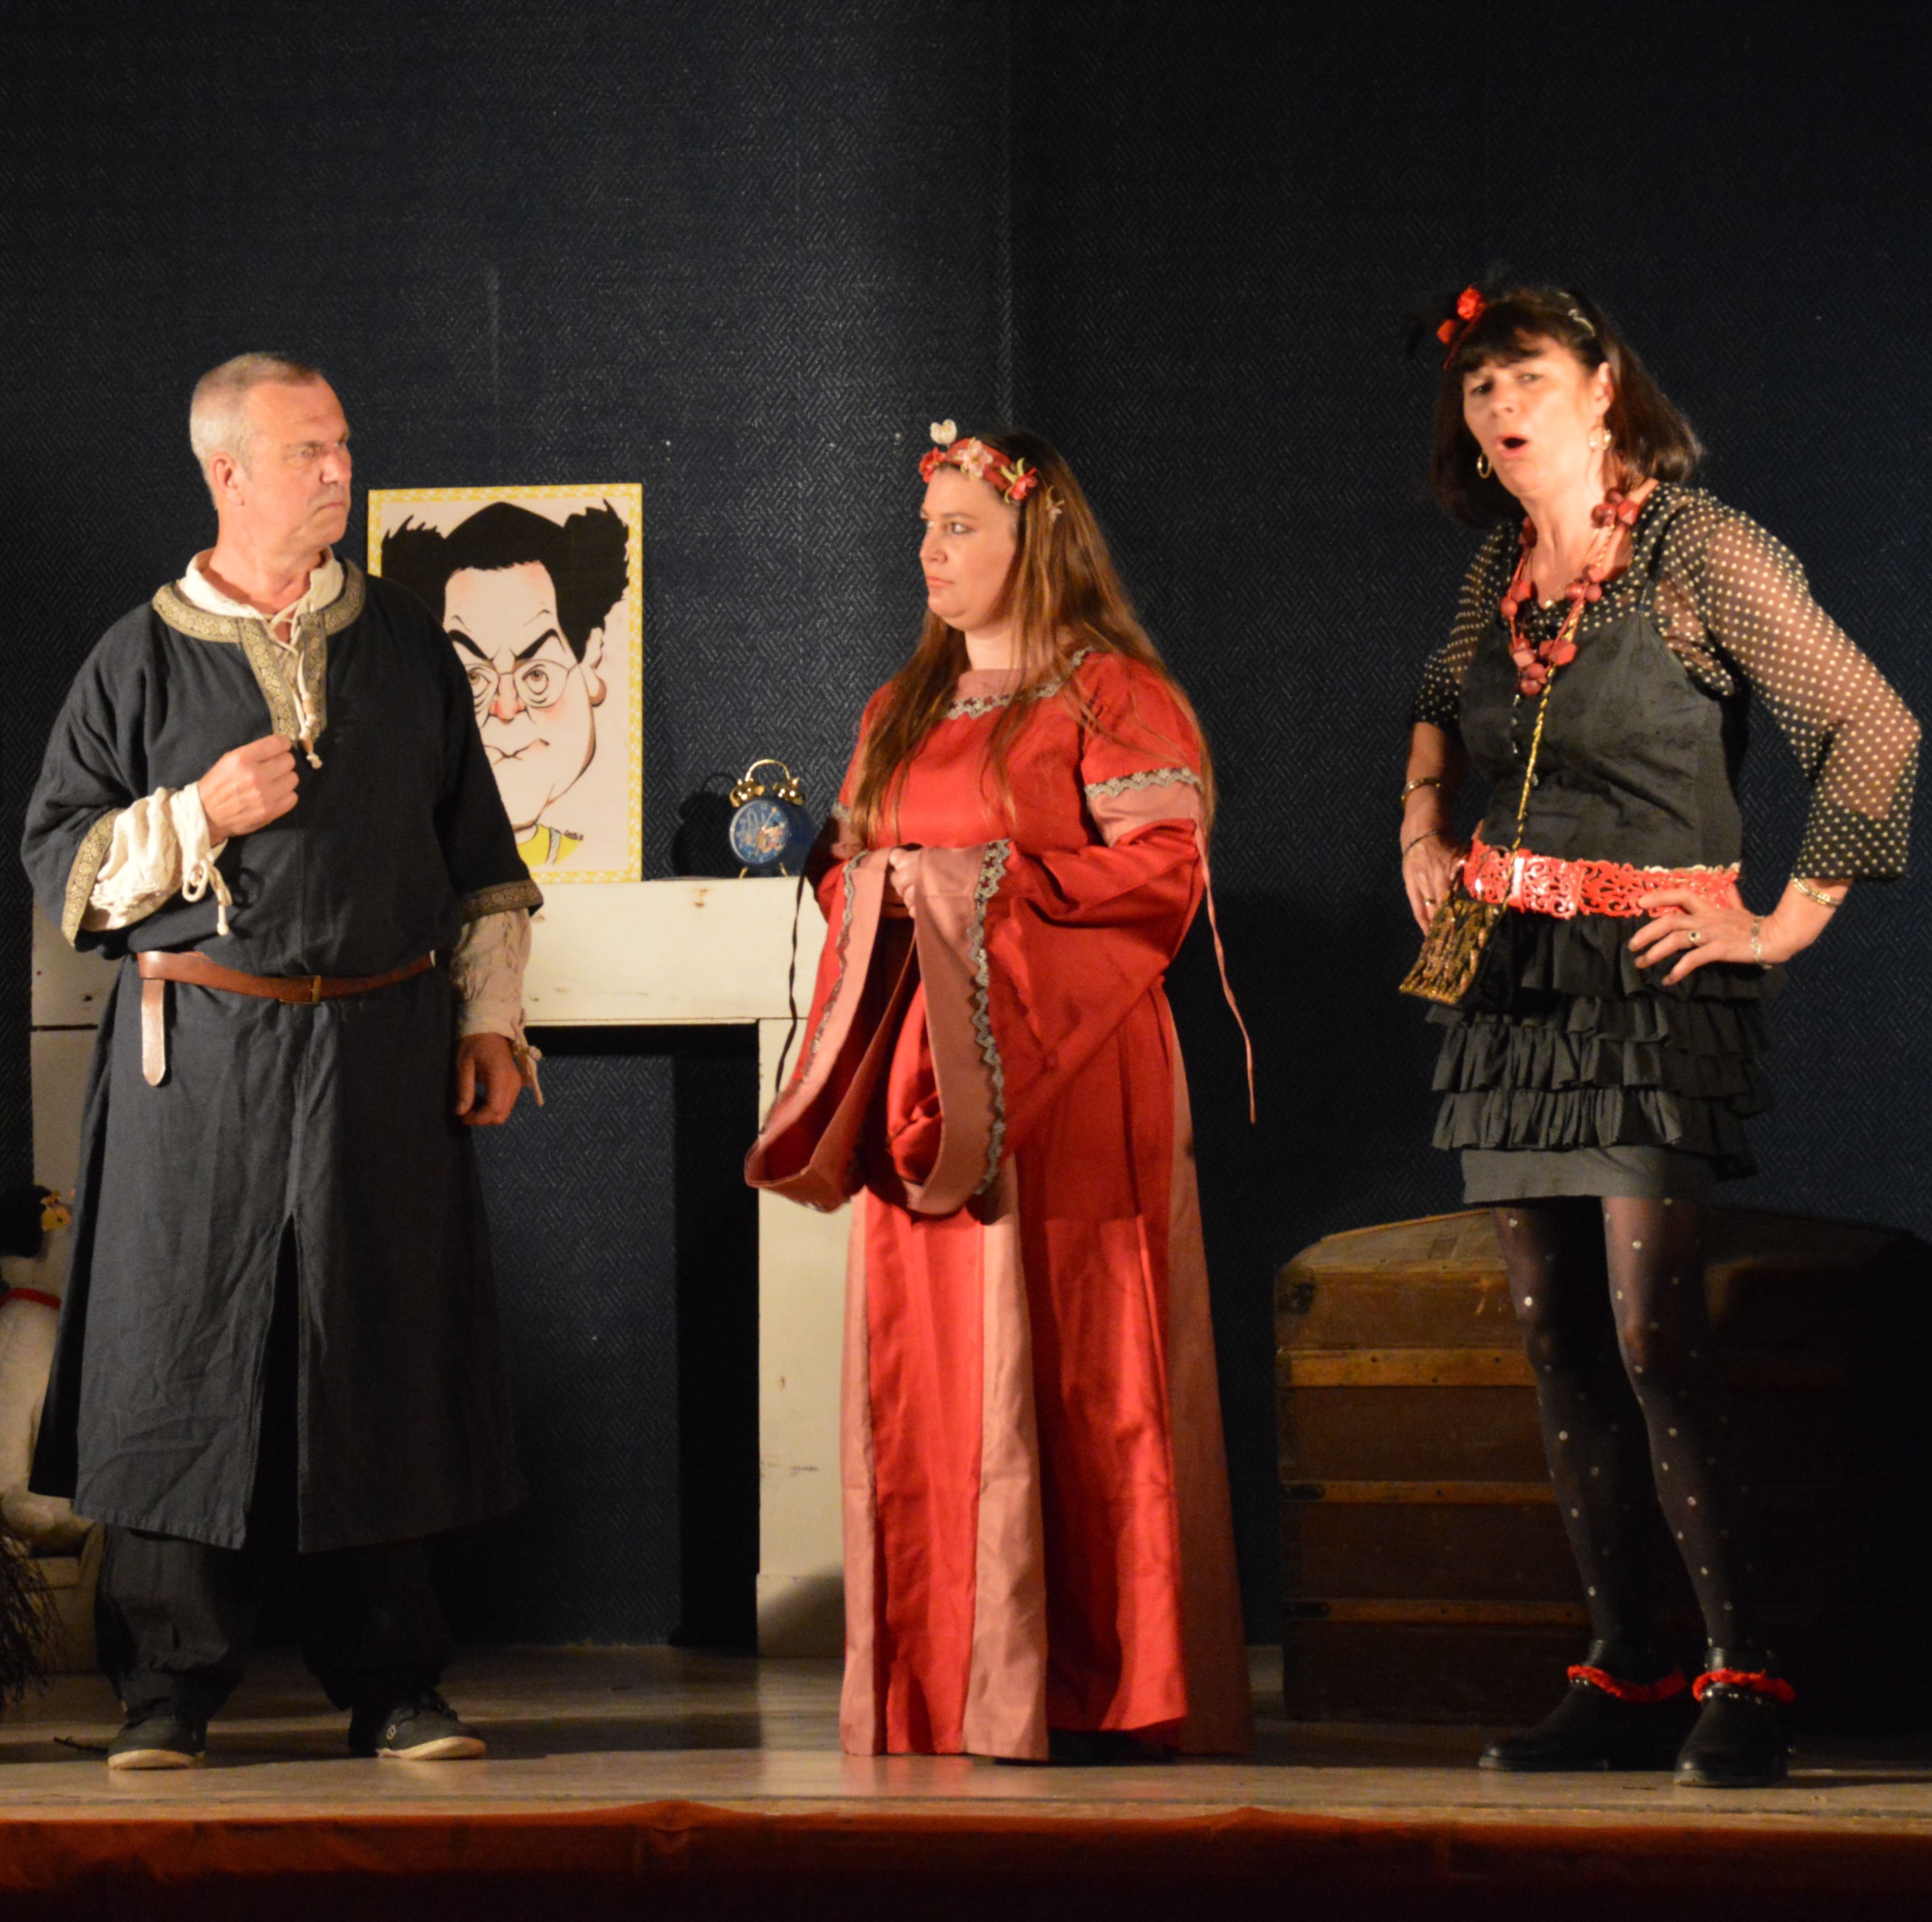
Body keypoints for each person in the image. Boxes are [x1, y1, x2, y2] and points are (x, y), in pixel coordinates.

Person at [1401, 285, 1918, 1787]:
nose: (1500, 406)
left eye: (1525, 375)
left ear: (1600, 385)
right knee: (1552, 1331)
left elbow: (1871, 727)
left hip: (1640, 981)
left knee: (1646, 1331)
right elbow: (1438, 694)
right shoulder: (1496, 566)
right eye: (1477, 386)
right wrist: (1418, 820)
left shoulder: (1698, 547)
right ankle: (1620, 1667)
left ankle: (1741, 1673)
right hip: (1500, 980)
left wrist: (1783, 917)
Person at [21, 353, 544, 1770]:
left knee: (374, 1348)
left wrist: (489, 1019)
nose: (339, 470)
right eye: (308, 450)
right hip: (197, 1060)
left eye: (343, 444)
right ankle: (165, 1687)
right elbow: (60, 866)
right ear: (227, 473)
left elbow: (484, 866)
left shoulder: (404, 645)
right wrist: (199, 811)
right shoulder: (136, 658)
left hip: (378, 1052)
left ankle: (394, 1681)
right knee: (175, 1350)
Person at [746, 424, 1252, 1763]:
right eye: (927, 528)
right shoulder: (898, 708)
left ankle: (1095, 1685)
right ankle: (946, 1682)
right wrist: (882, 888)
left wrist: (968, 885)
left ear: (1039, 539)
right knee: (928, 1372)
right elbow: (851, 870)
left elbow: (1158, 876)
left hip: (1070, 1069)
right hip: (923, 1070)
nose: (931, 550)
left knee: (1079, 1358)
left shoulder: (1112, 695)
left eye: (960, 526)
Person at [381, 502, 627, 868]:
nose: (506, 708)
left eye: (537, 675)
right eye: (472, 678)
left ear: (590, 660)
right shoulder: (418, 864)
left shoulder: (596, 856)